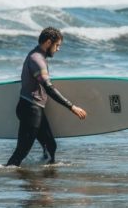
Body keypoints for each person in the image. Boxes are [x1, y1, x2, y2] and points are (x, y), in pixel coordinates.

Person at [6, 27, 87, 166]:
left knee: (51, 146)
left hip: (35, 108)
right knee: (21, 152)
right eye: (57, 45)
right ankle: (8, 176)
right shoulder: (37, 59)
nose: (58, 49)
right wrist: (71, 107)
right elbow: (48, 88)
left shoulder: (38, 56)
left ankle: (45, 178)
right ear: (49, 42)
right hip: (30, 109)